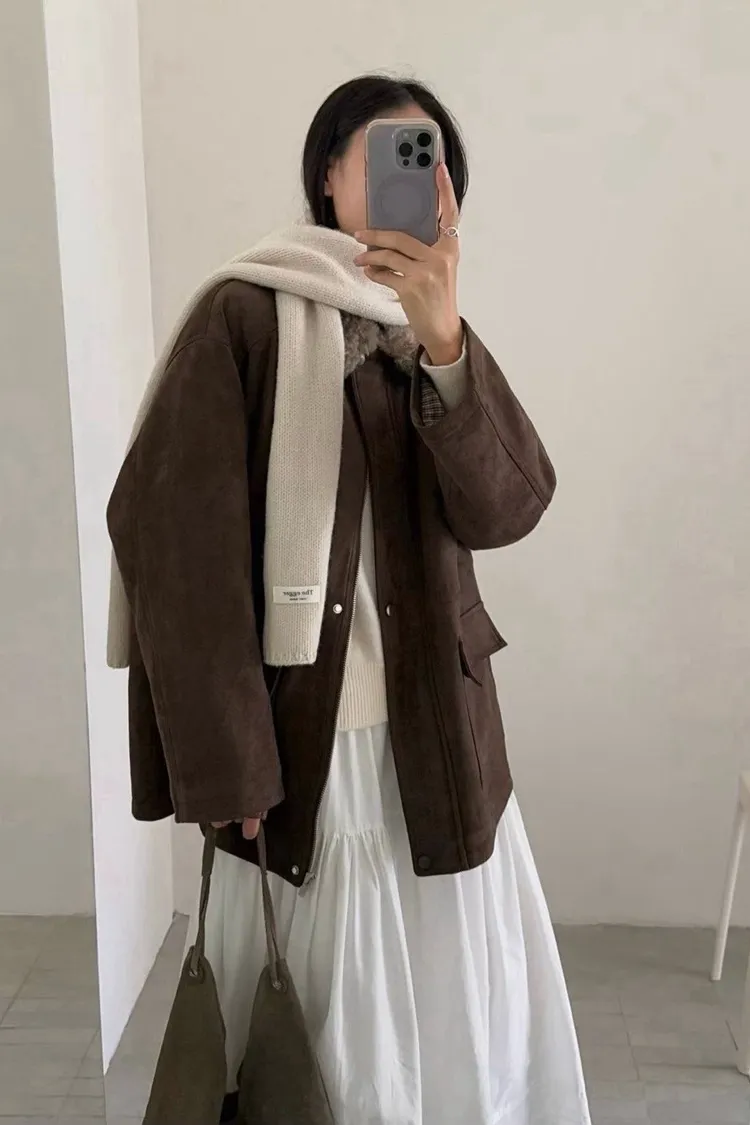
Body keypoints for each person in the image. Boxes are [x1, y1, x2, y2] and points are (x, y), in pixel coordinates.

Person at [107, 75, 591, 1125]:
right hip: (305, 760)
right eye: (382, 150)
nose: (412, 173)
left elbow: (508, 506)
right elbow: (172, 545)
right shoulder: (244, 314)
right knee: (316, 1044)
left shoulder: (428, 330)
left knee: (457, 1037)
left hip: (439, 745)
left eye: (430, 156)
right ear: (329, 173)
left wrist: (446, 341)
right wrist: (227, 758)